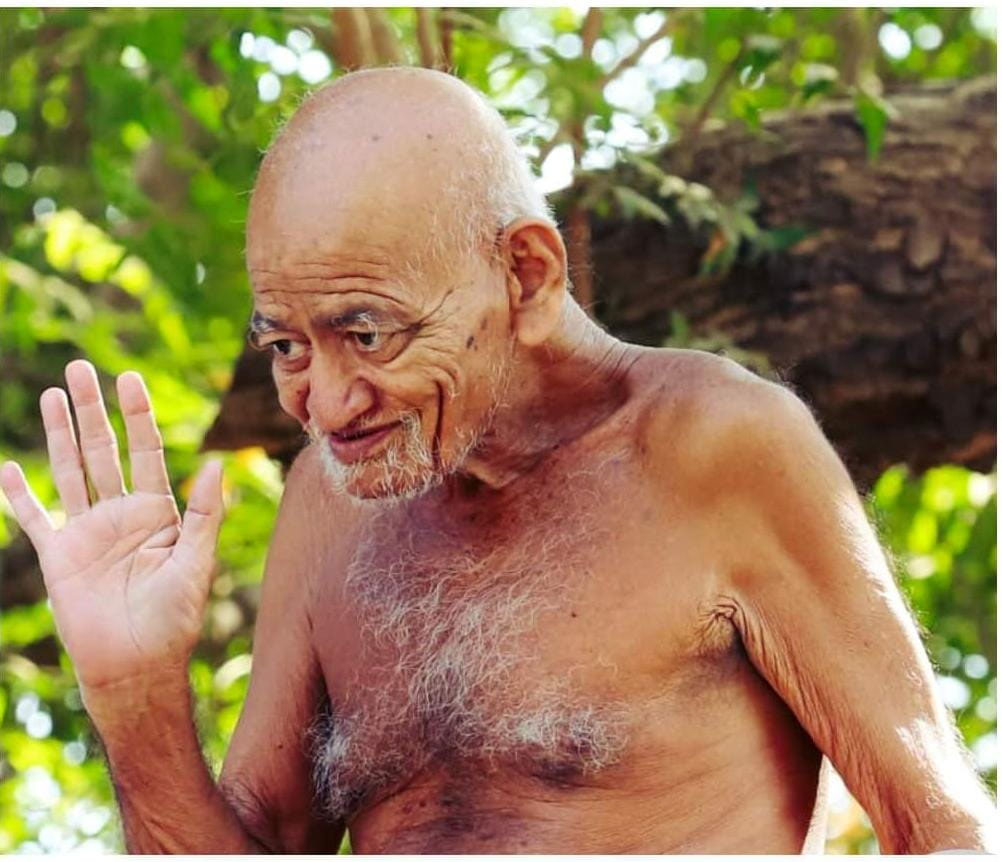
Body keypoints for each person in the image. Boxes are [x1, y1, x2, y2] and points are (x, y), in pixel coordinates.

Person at [1, 67, 996, 854]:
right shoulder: (331, 496)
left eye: (368, 331)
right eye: (287, 346)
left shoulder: (720, 446)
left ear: (525, 273)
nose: (327, 402)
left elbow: (947, 832)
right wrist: (134, 699)